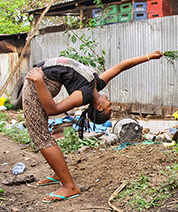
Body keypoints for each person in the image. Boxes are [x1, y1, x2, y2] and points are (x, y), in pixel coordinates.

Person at [22, 51, 164, 203]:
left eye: (109, 107)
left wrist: (38, 81)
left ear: (100, 108)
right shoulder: (97, 84)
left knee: (41, 136)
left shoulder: (84, 95)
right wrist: (149, 57)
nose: (110, 102)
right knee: (42, 135)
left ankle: (69, 186)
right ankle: (59, 174)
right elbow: (122, 66)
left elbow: (53, 110)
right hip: (42, 77)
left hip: (38, 81)